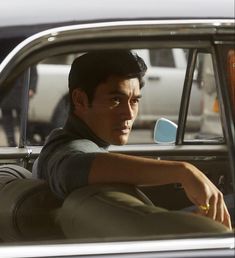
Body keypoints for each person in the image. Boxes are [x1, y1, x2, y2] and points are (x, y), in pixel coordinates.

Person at [34, 50, 232, 236]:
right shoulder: (67, 149)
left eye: (134, 101)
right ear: (80, 100)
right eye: (115, 100)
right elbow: (71, 167)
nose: (129, 114)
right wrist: (183, 171)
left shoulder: (60, 141)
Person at [0, 66, 38, 146]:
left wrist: (32, 88)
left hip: (21, 90)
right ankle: (11, 141)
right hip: (7, 91)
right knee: (7, 117)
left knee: (22, 117)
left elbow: (33, 72)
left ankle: (24, 139)